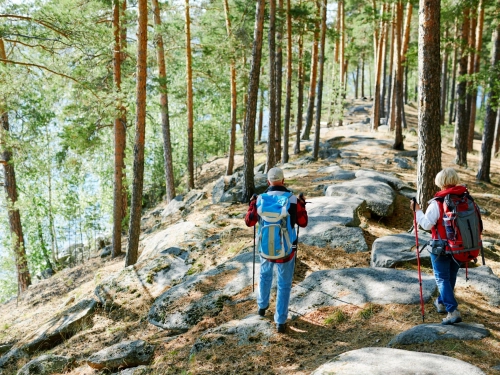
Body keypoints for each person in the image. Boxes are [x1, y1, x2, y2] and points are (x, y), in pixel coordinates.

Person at [245, 167, 308, 333]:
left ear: (268, 182)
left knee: (264, 275)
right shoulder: (292, 199)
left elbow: (249, 222)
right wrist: (302, 204)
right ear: (283, 180)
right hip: (286, 250)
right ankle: (280, 321)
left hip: (265, 248)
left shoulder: (260, 199)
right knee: (284, 284)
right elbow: (302, 222)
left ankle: (262, 306)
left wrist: (252, 204)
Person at [410, 167, 466, 325]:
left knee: (442, 278)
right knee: (450, 276)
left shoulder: (438, 202)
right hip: (460, 247)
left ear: (440, 182)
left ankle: (452, 310)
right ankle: (441, 302)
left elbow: (427, 225)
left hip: (441, 247)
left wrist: (417, 211)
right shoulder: (463, 199)